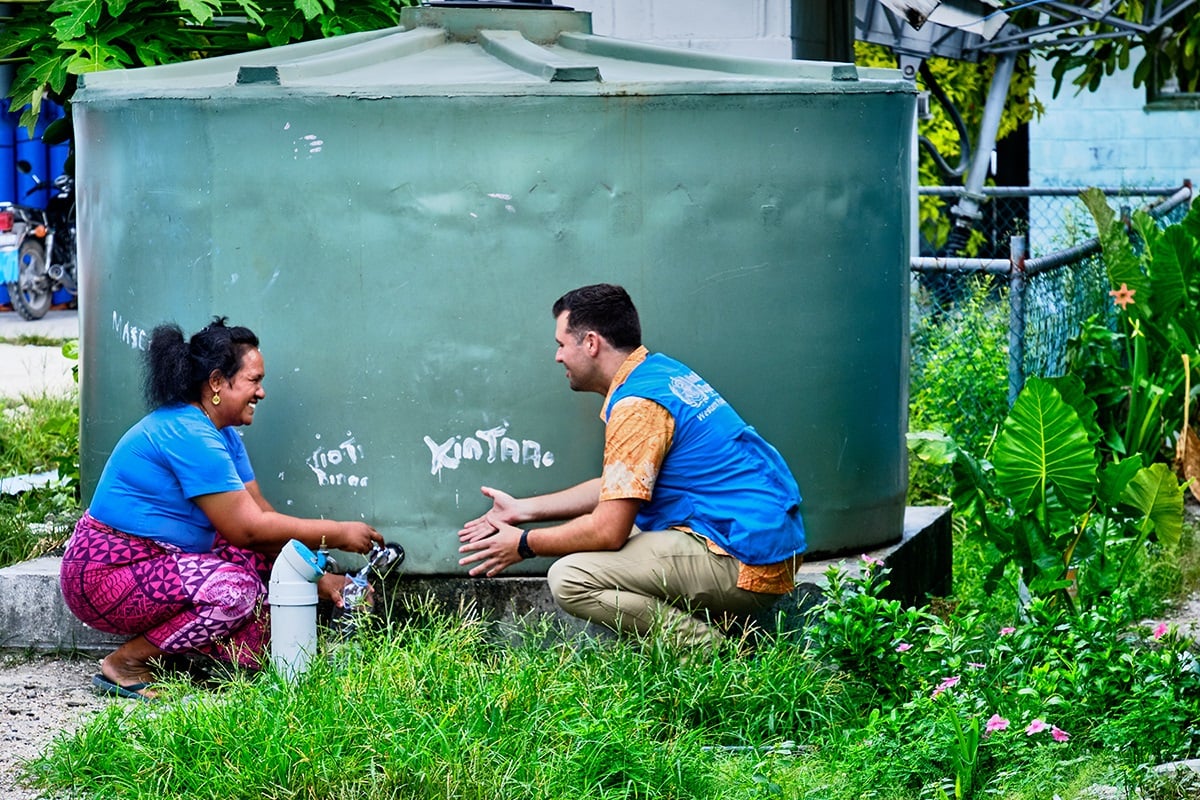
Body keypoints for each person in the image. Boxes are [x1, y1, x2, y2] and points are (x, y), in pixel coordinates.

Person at [458, 283, 806, 648]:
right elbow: (619, 486)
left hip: (746, 560)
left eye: (561, 344)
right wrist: (523, 510)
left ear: (590, 343)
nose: (558, 357)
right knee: (626, 532)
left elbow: (609, 530)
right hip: (757, 542)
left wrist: (523, 544)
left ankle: (709, 654)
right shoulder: (658, 373)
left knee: (570, 578)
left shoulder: (638, 406)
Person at [60, 317, 382, 700]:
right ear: (216, 382)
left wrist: (319, 578)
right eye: (254, 380)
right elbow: (248, 530)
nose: (261, 392)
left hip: (159, 560)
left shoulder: (221, 433)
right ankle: (126, 664)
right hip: (104, 575)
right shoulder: (187, 432)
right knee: (236, 591)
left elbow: (263, 519)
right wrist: (339, 533)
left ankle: (182, 657)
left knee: (266, 584)